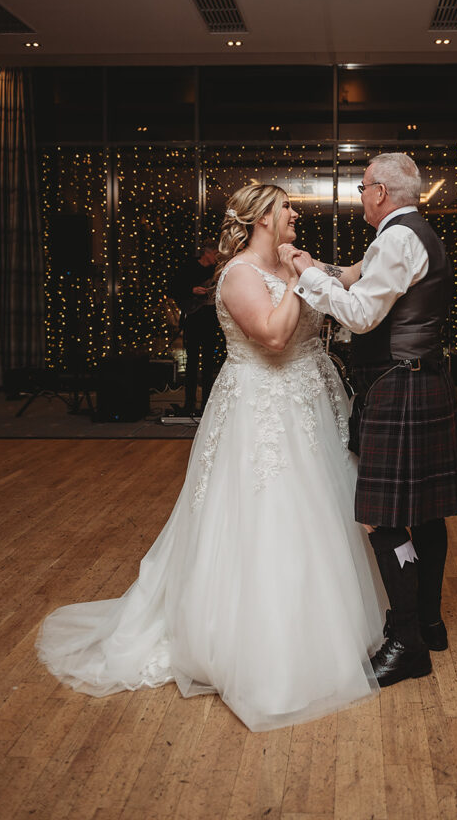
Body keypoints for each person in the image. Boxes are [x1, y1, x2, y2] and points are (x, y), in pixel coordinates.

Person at [37, 183, 387, 732]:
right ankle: (258, 649)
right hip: (262, 410)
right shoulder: (239, 275)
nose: (296, 213)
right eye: (286, 207)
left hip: (308, 408)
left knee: (319, 515)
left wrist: (386, 244)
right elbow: (272, 337)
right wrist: (298, 280)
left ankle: (322, 628)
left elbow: (347, 278)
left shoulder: (299, 261)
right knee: (270, 515)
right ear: (260, 220)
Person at [290, 153, 457, 689]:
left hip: (399, 387)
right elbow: (353, 276)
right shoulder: (414, 233)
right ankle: (429, 624)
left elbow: (361, 312)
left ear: (381, 193)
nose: (361, 194)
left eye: (363, 185)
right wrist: (315, 266)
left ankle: (407, 643)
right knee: (428, 514)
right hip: (421, 380)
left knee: (381, 516)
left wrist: (304, 277)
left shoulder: (395, 239)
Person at [169, 238, 219, 416]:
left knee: (208, 364)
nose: (217, 258)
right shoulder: (188, 267)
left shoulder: (216, 271)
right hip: (193, 317)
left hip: (210, 318)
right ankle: (189, 404)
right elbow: (173, 288)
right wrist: (192, 290)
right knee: (191, 364)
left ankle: (206, 405)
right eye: (215, 254)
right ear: (207, 253)